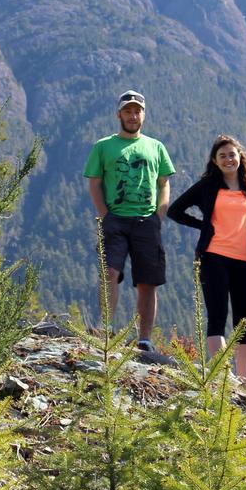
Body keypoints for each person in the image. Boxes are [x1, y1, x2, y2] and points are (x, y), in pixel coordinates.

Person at [168, 135, 246, 381]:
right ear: (215, 161)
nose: (228, 159)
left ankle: (243, 380)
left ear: (240, 157)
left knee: (244, 322)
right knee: (217, 316)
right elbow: (175, 210)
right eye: (222, 156)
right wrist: (203, 226)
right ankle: (222, 377)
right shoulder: (207, 186)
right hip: (214, 257)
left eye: (231, 154)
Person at [83, 90, 174, 351]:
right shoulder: (103, 146)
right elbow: (95, 184)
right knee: (109, 273)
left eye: (137, 111)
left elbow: (164, 183)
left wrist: (160, 214)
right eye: (128, 111)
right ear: (118, 114)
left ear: (143, 115)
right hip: (115, 220)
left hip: (147, 221)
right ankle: (106, 329)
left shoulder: (156, 146)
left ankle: (144, 339)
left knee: (148, 281)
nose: (133, 116)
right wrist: (105, 215)